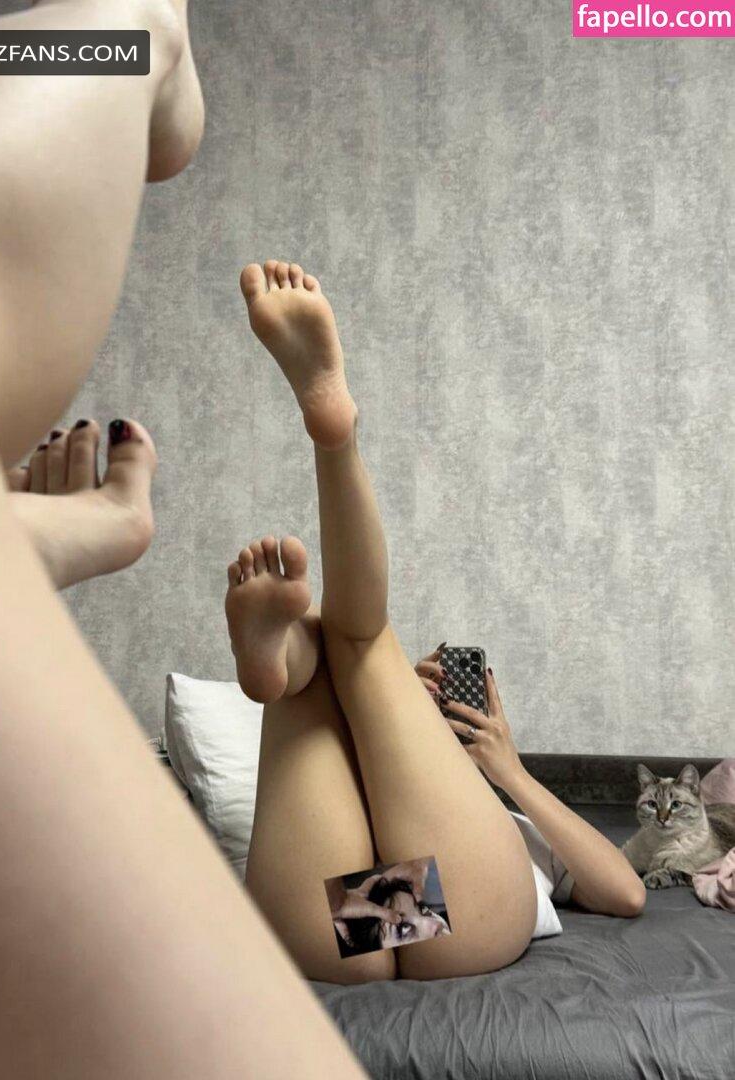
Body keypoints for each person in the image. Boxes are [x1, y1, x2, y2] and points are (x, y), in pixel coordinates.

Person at [0, 4, 366, 1077]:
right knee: (356, 654)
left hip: (418, 916)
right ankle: (137, 26)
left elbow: (623, 892)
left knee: (360, 655)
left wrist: (512, 777)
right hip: (397, 914)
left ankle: (134, 27)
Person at [225, 259, 647, 985]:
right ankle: (333, 450)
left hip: (356, 918)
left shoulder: (514, 818)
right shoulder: (467, 819)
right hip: (363, 917)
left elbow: (626, 893)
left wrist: (507, 771)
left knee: (336, 644)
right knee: (341, 648)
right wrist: (387, 703)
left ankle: (289, 656)